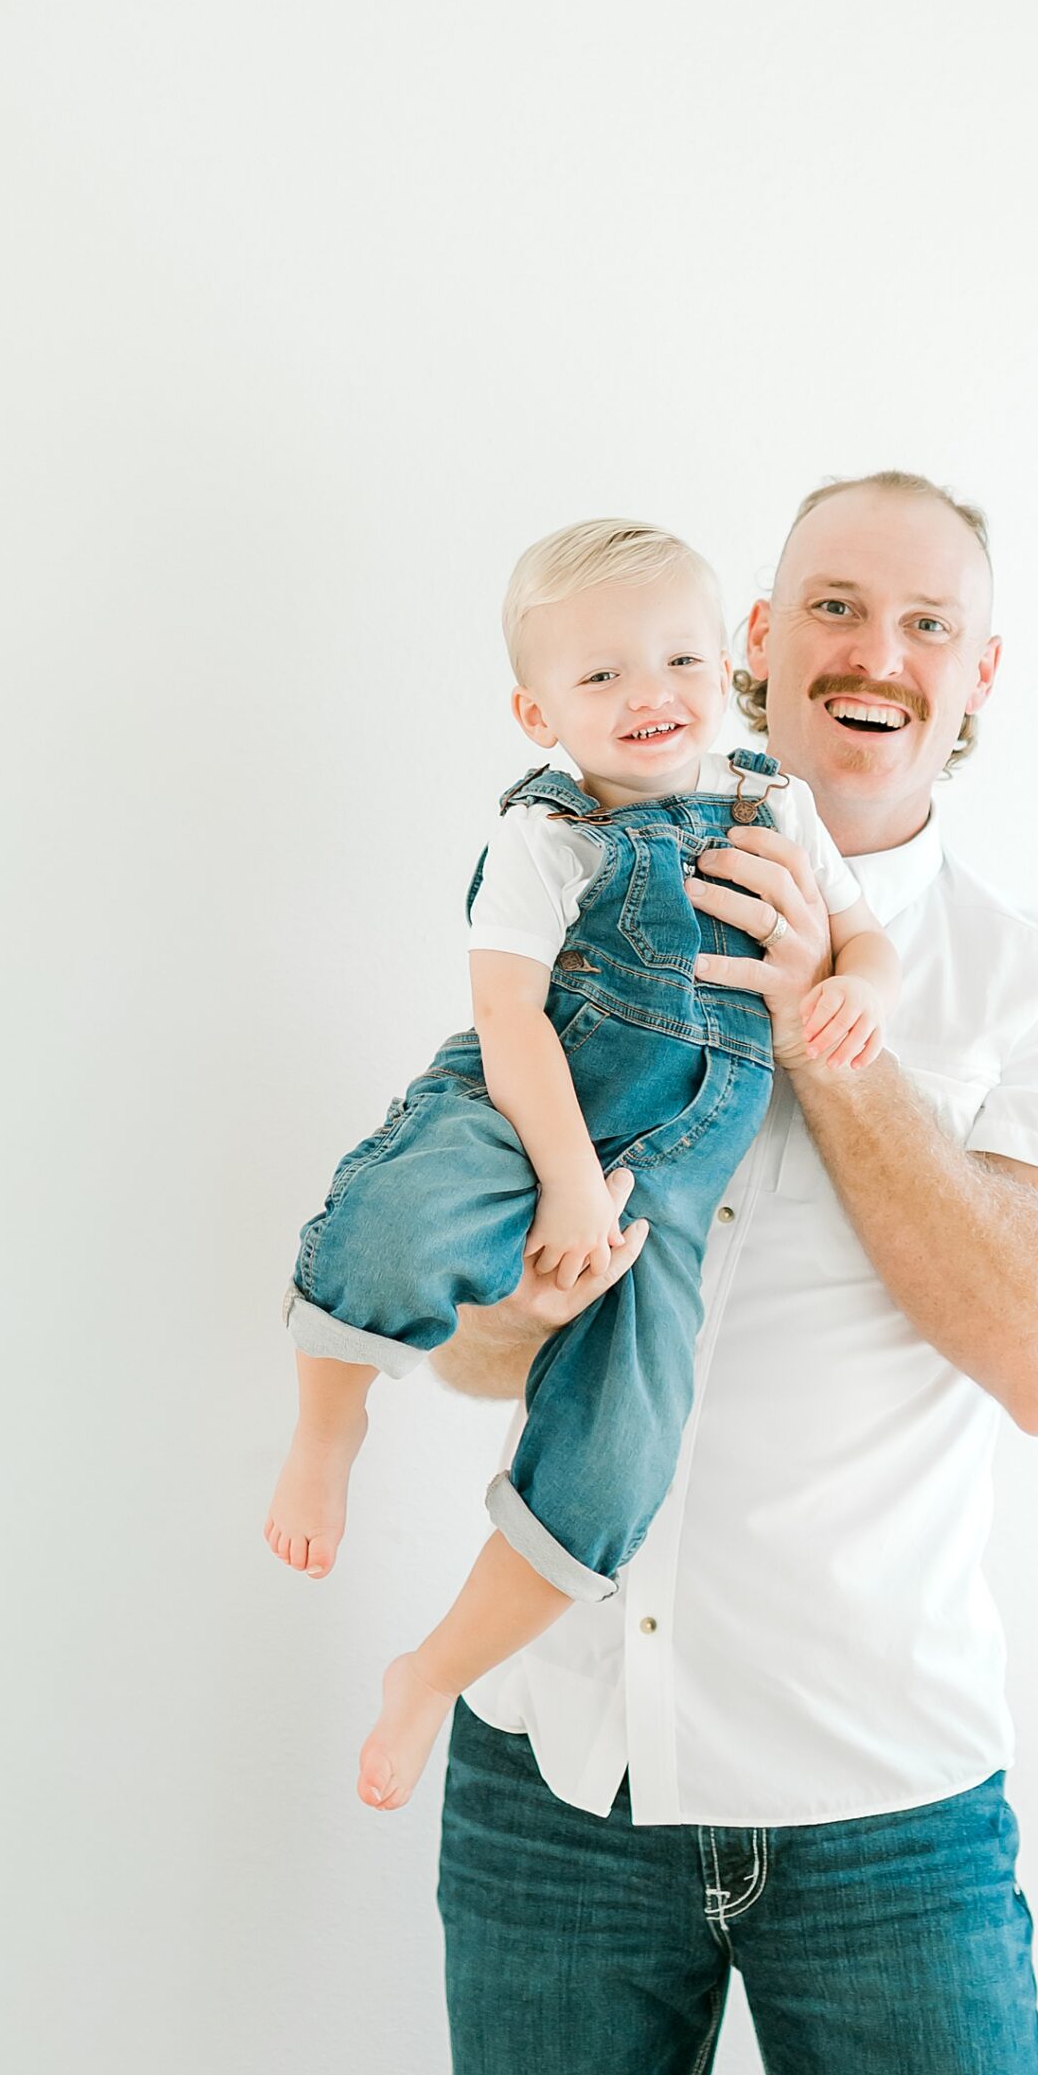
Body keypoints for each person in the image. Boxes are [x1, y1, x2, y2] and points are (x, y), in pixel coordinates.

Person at [428, 470, 1038, 2075]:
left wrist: (837, 1030)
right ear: (758, 644)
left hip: (884, 1809)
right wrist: (517, 1304)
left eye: (927, 624)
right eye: (833, 606)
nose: (876, 653)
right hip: (556, 1775)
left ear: (982, 675)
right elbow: (468, 1349)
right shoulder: (577, 911)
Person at [263, 518, 899, 1810]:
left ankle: (434, 1670)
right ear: (534, 708)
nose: (650, 696)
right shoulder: (546, 838)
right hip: (527, 1109)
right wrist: (558, 1180)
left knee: (618, 1464)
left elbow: (861, 936)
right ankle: (328, 1428)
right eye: (601, 677)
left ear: (729, 668)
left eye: (678, 659)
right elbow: (508, 1025)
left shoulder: (774, 802)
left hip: (667, 1192)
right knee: (403, 1214)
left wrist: (865, 995)